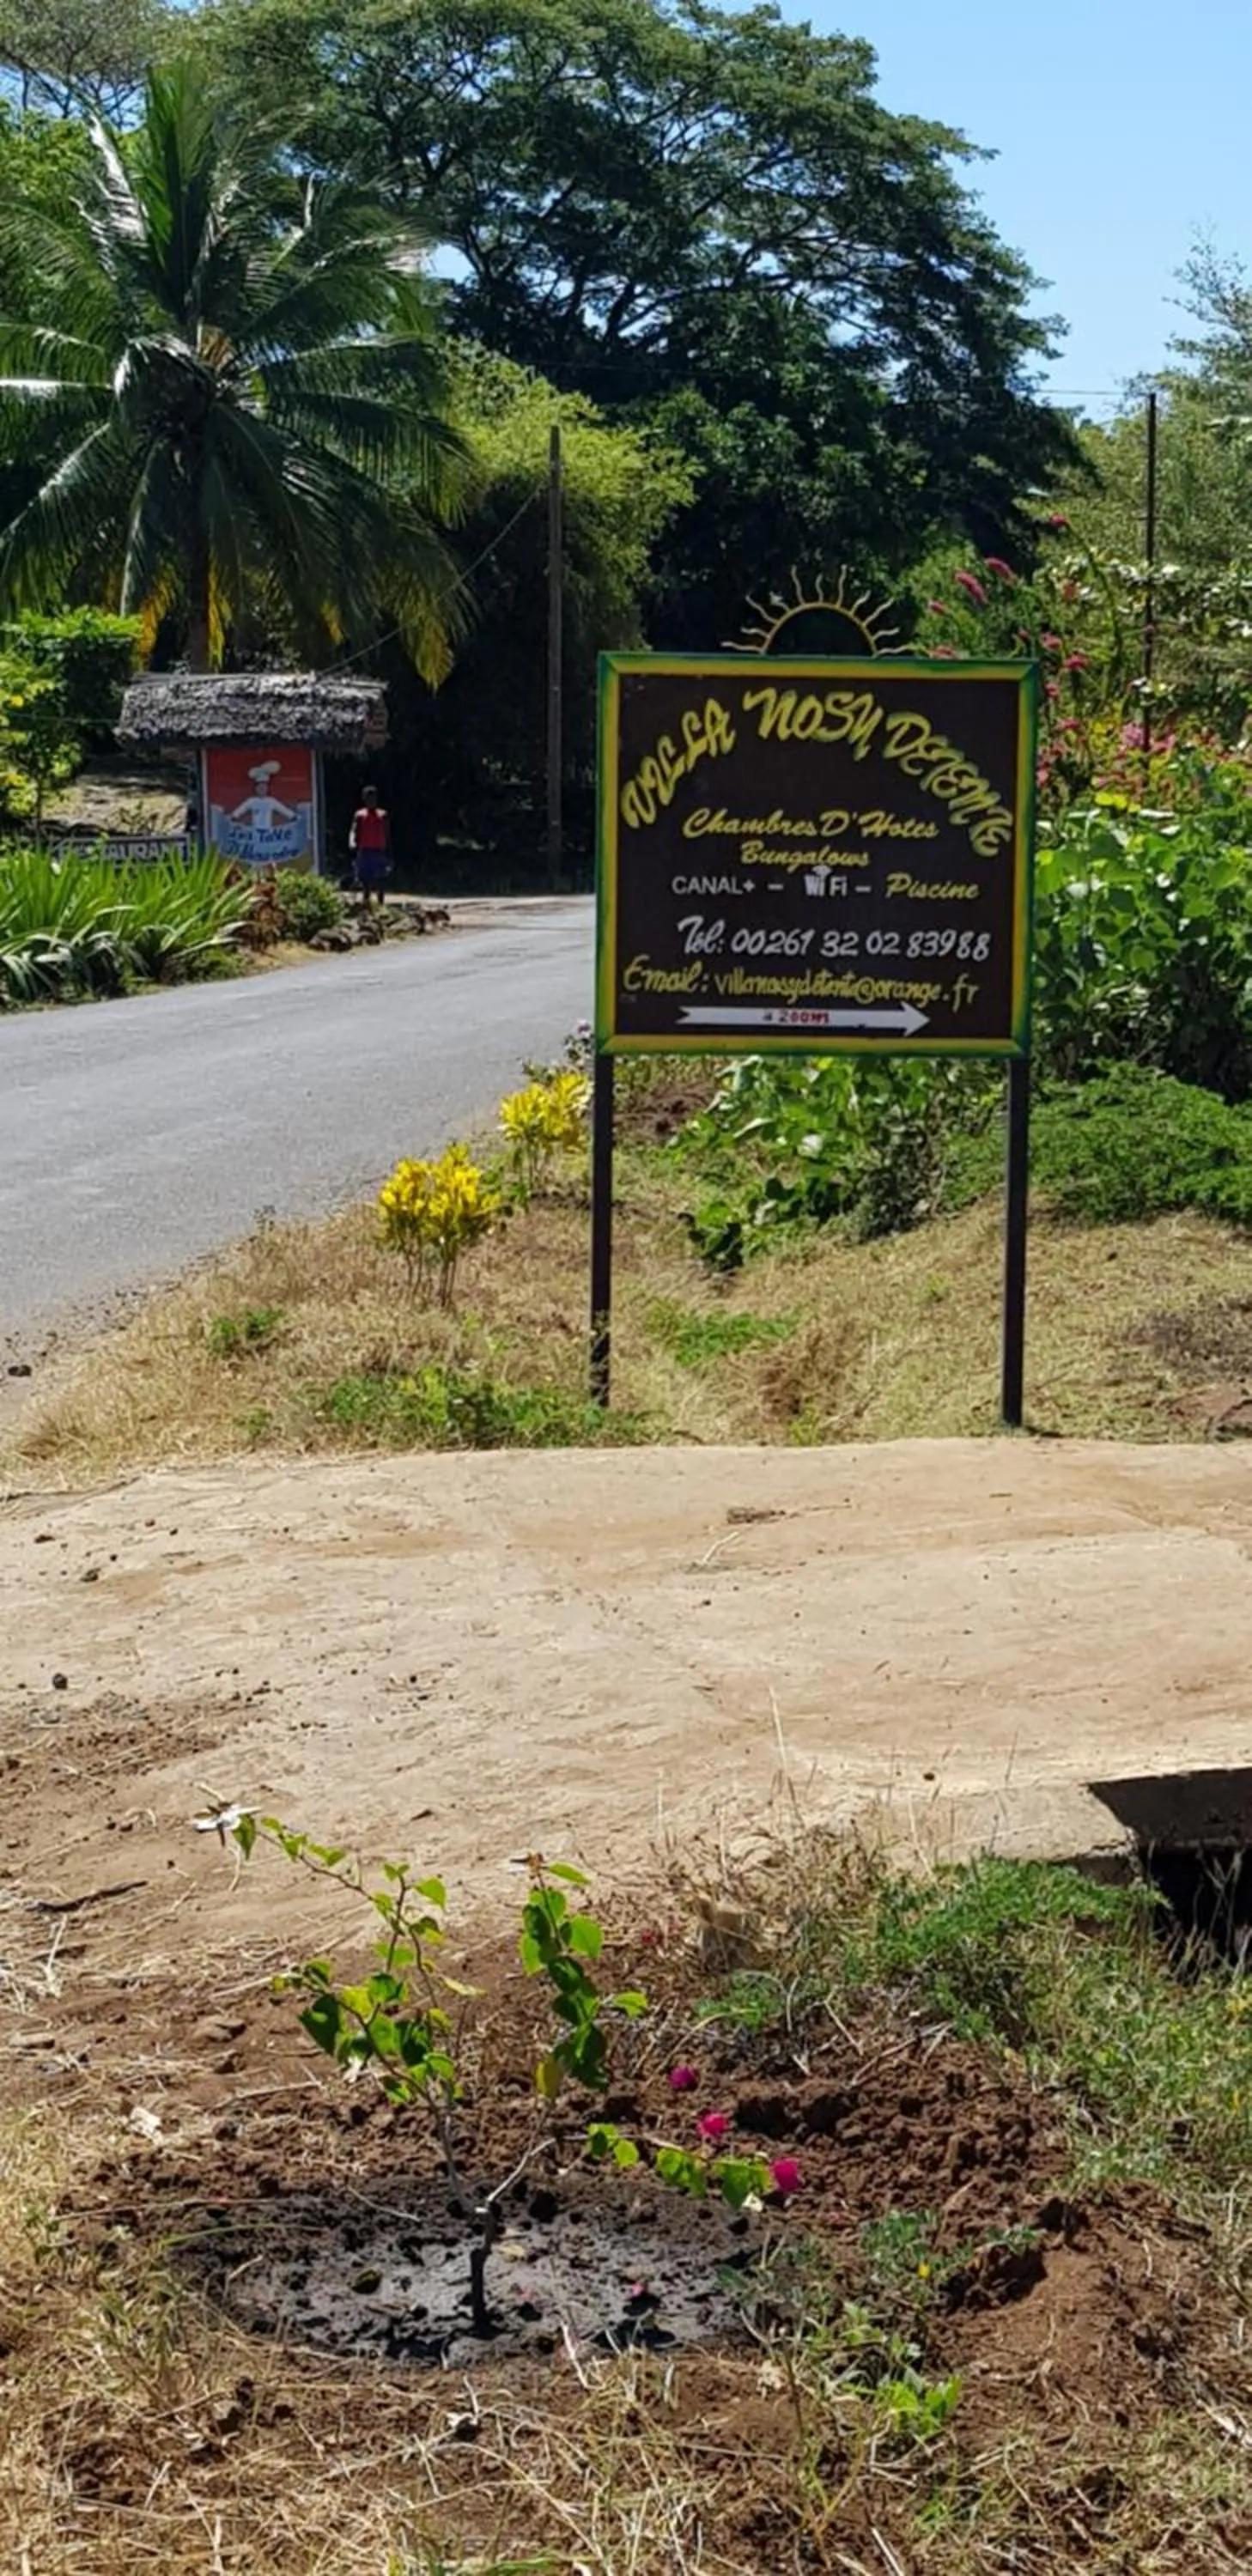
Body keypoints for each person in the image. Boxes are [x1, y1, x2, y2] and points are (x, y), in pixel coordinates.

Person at [349, 784, 391, 909]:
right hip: (365, 850)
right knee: (365, 881)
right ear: (364, 799)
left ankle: (381, 905)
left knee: (380, 880)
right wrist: (352, 841)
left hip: (378, 850)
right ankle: (366, 905)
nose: (370, 801)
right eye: (368, 798)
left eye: (372, 798)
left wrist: (389, 853)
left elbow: (387, 834)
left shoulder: (383, 815)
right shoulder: (360, 815)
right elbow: (354, 829)